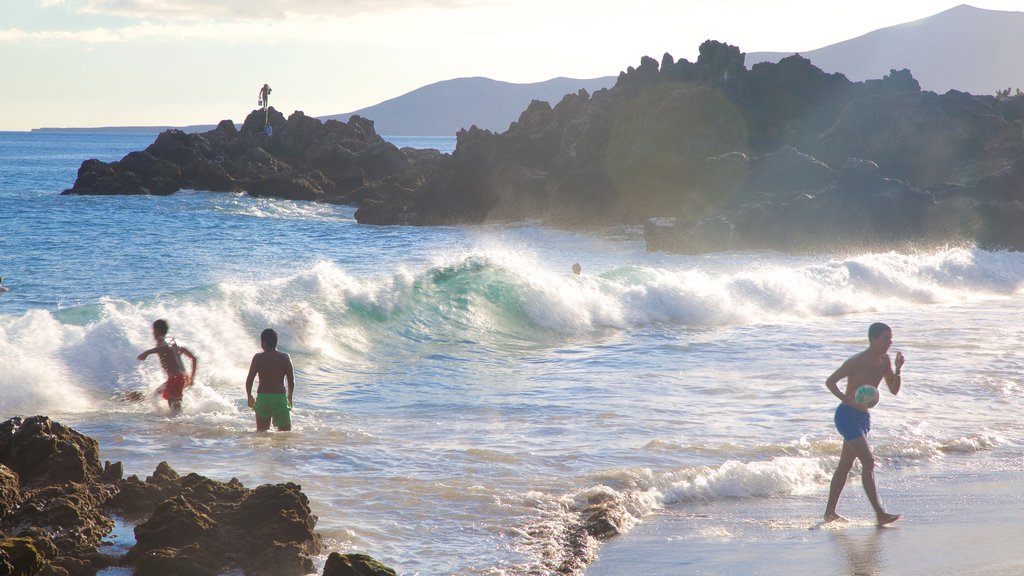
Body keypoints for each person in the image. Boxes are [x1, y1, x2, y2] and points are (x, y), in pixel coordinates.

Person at [824, 322, 905, 526]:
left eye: (891, 338)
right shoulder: (857, 361)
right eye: (886, 338)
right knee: (868, 462)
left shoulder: (885, 360)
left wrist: (898, 370)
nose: (890, 342)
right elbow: (830, 381)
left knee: (844, 466)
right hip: (846, 415)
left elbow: (893, 389)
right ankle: (879, 513)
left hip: (863, 418)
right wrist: (845, 398)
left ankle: (829, 513)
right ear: (873, 339)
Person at [138, 319, 197, 414]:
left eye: (153, 330)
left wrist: (147, 352)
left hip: (176, 378)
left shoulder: (162, 342)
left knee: (175, 409)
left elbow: (166, 348)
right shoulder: (174, 342)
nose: (153, 333)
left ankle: (179, 424)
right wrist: (192, 378)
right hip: (181, 377)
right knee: (156, 394)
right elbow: (194, 358)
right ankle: (170, 419)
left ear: (157, 331)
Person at [245, 328, 295, 432]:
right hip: (279, 398)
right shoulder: (285, 357)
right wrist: (289, 397)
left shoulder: (258, 358)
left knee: (262, 434)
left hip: (263, 398)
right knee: (285, 435)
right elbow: (291, 381)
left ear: (263, 343)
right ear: (276, 342)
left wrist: (249, 396)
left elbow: (249, 380)